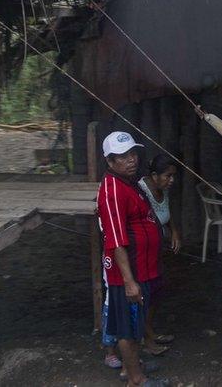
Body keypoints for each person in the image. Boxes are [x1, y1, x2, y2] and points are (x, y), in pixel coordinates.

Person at [96, 131, 168, 387]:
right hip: (128, 271)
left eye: (133, 153)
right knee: (127, 326)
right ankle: (136, 380)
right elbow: (115, 240)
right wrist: (128, 281)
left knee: (136, 322)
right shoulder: (112, 190)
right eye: (123, 156)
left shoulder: (130, 181)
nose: (131, 160)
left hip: (142, 267)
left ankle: (132, 368)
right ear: (110, 161)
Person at [137, 154, 181, 356]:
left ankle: (150, 331)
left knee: (156, 292)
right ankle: (146, 340)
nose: (172, 180)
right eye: (168, 176)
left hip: (155, 251)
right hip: (140, 254)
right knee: (144, 295)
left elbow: (166, 213)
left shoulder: (163, 189)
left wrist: (174, 232)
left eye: (173, 176)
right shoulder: (141, 192)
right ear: (154, 175)